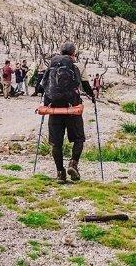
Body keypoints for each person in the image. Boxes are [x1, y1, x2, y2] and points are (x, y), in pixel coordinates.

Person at [41, 42, 95, 184]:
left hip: (55, 109)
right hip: (73, 108)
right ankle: (73, 164)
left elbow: (42, 85)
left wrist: (46, 103)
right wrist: (93, 96)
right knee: (79, 139)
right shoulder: (77, 66)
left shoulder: (52, 65)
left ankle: (60, 173)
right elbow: (86, 86)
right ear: (73, 53)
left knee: (55, 143)